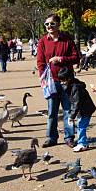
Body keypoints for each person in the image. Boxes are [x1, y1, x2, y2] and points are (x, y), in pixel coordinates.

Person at [36, 13, 80, 148]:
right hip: (51, 82)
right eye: (47, 24)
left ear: (58, 25)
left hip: (67, 81)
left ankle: (69, 137)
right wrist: (43, 77)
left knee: (68, 110)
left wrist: (61, 59)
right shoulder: (43, 41)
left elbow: (76, 57)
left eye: (52, 23)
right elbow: (40, 61)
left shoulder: (67, 40)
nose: (49, 26)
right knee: (51, 112)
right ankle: (51, 137)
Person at [57, 68, 96, 152]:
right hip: (82, 110)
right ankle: (81, 142)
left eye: (63, 81)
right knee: (79, 125)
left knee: (81, 126)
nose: (62, 83)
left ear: (69, 79)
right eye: (61, 81)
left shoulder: (76, 88)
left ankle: (83, 143)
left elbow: (76, 103)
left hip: (86, 109)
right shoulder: (71, 86)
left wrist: (71, 116)